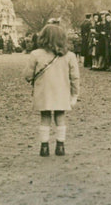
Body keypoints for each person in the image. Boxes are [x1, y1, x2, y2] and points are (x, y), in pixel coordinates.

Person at [24, 24, 80, 156]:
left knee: (45, 117)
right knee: (60, 116)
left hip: (43, 92)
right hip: (62, 92)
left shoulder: (35, 54)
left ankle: (44, 147)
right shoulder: (70, 56)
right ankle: (60, 146)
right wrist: (74, 94)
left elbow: (27, 75)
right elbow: (75, 77)